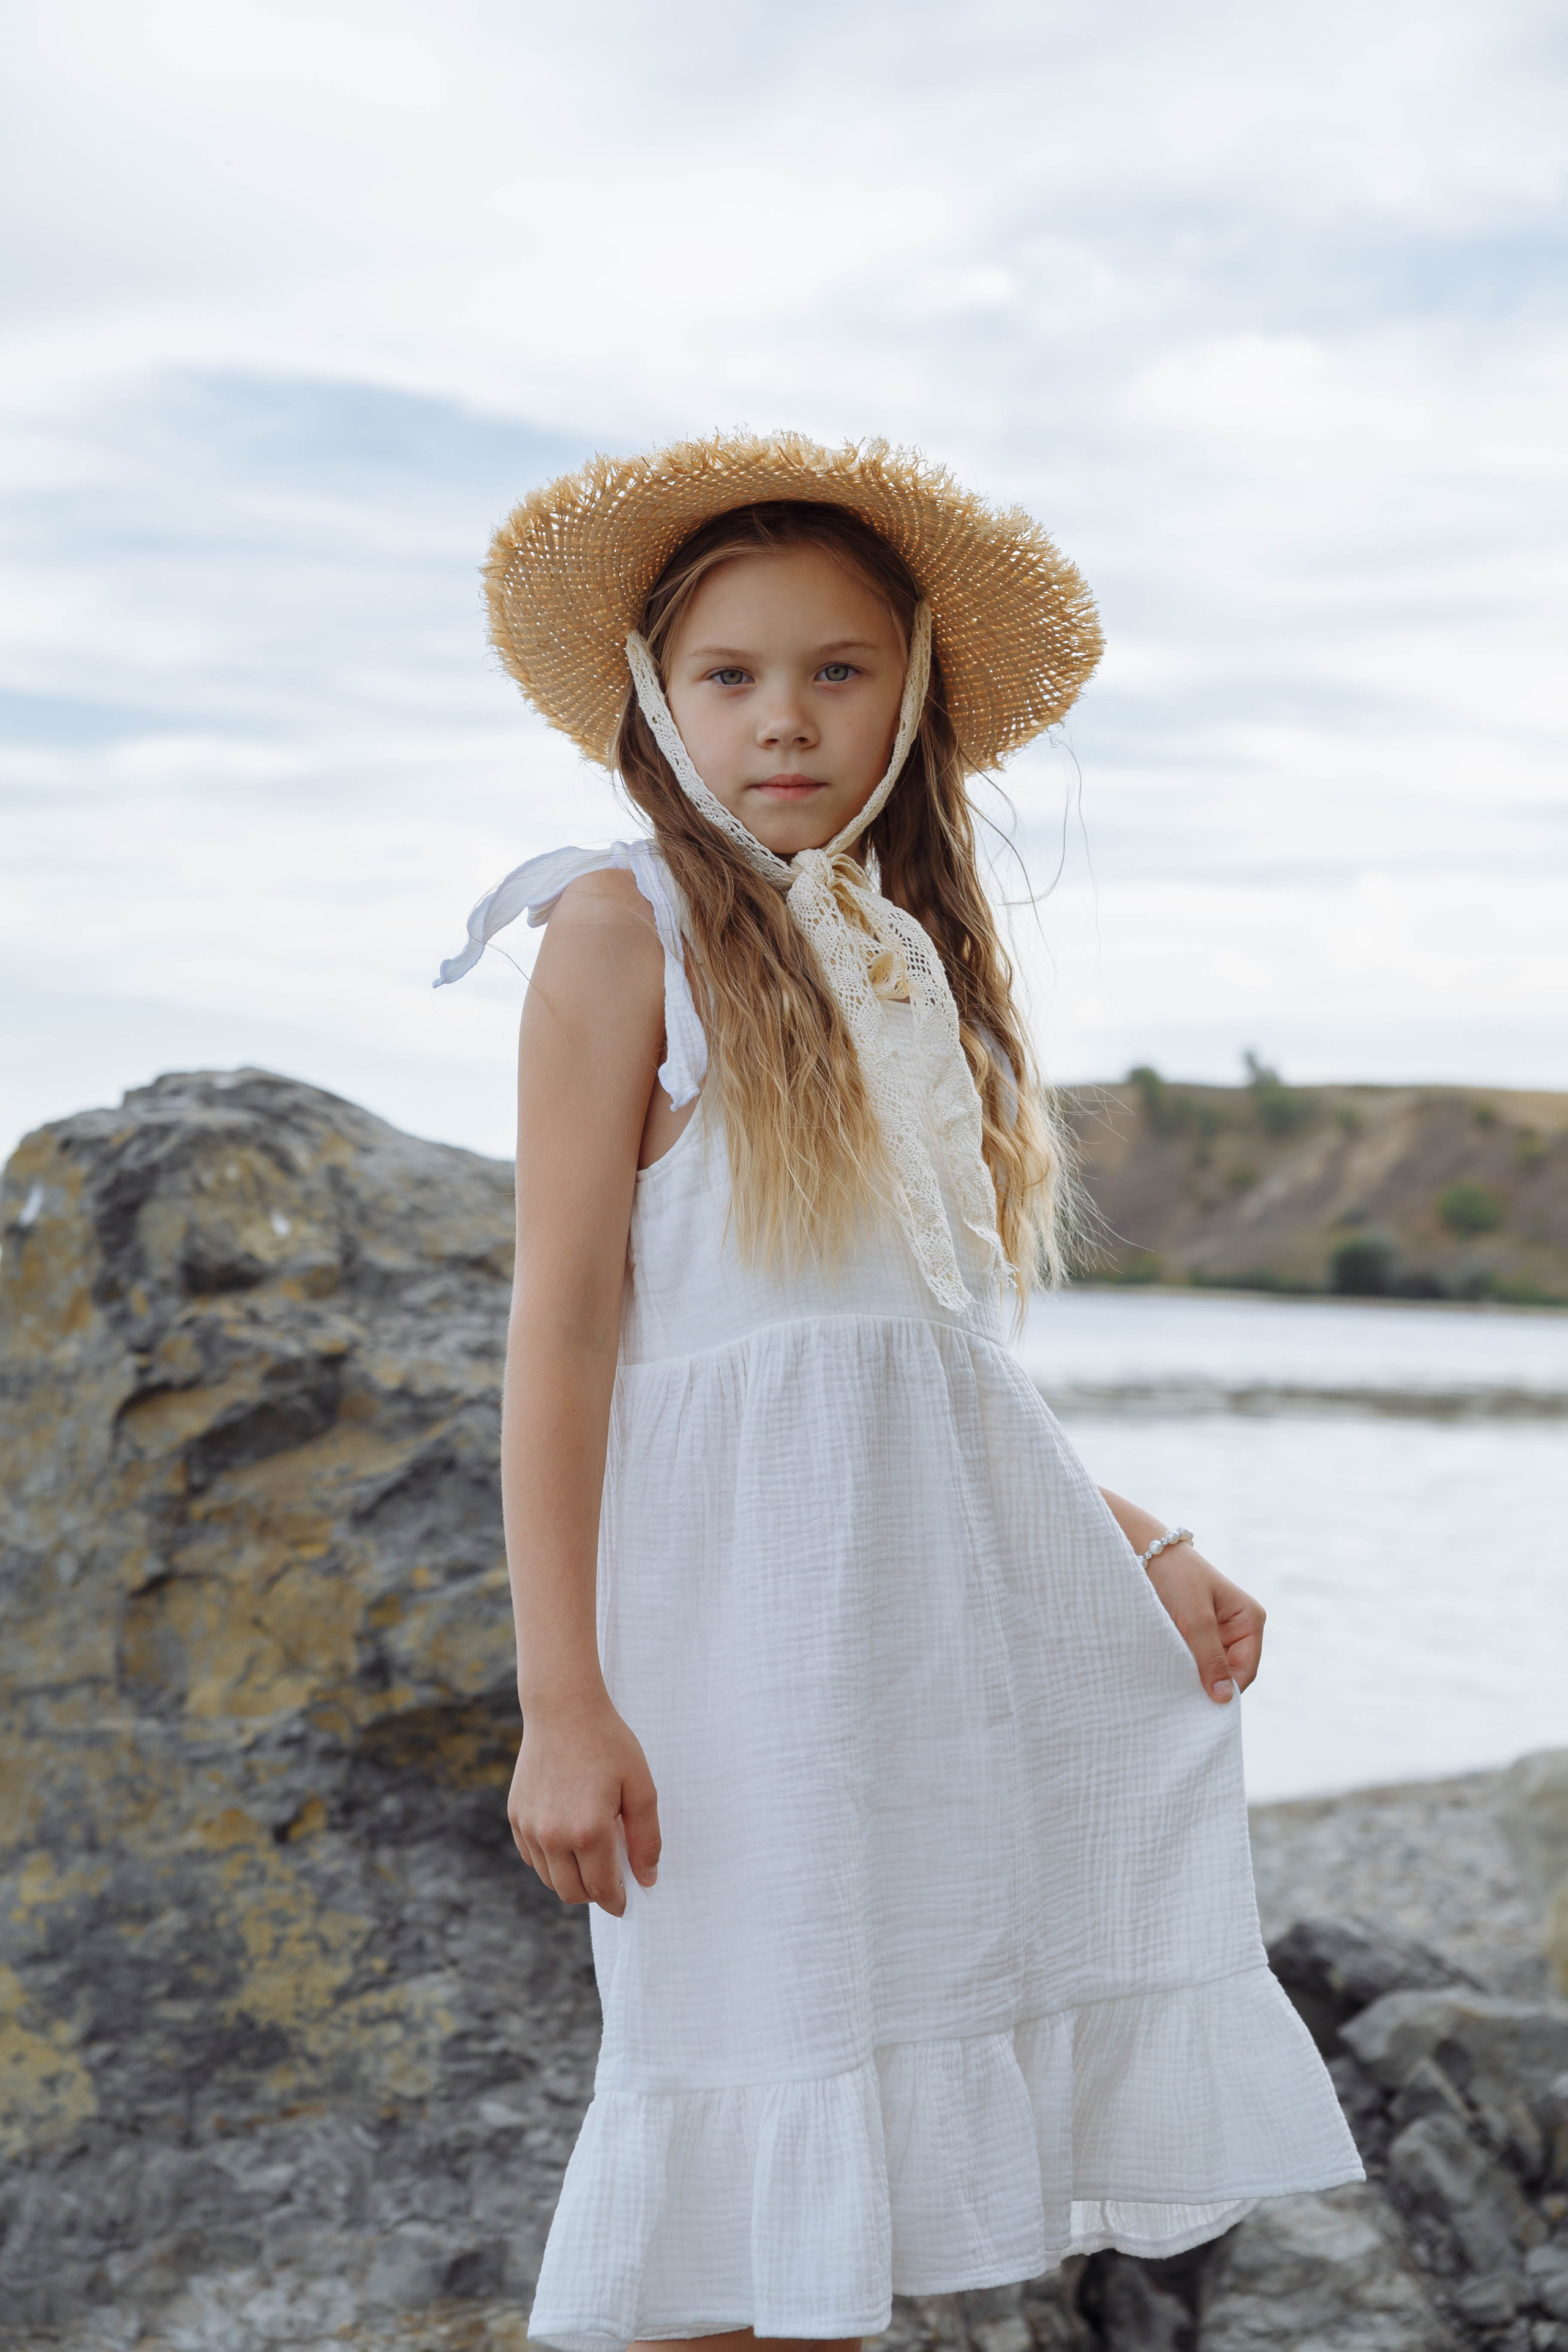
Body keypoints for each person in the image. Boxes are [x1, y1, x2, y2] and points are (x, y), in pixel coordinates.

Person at [436, 433, 1360, 2352]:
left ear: (912, 694)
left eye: (838, 671)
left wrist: (1144, 1544)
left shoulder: (904, 960)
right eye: (732, 675)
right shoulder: (622, 935)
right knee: (724, 2144)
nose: (785, 719)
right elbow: (566, 1334)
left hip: (899, 1649)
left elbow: (924, 1363)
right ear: (652, 698)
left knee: (827, 2218)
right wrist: (562, 1697)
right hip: (720, 1657)